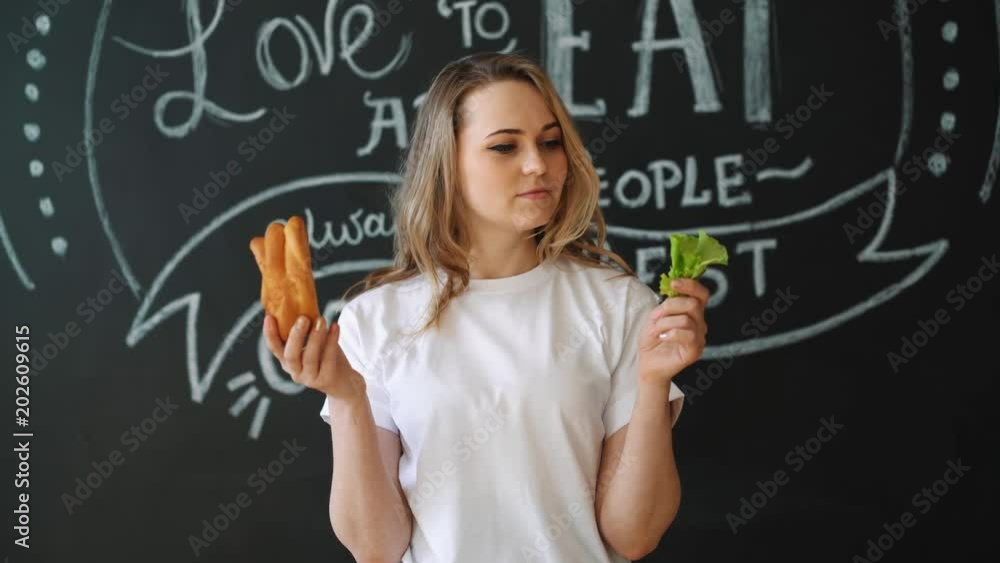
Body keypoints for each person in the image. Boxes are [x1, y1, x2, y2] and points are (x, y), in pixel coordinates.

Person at [262, 52, 710, 563]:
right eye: (503, 147)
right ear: (446, 163)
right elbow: (376, 547)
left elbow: (634, 536)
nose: (538, 164)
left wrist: (652, 384)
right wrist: (346, 397)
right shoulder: (372, 321)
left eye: (550, 142)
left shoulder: (619, 306)